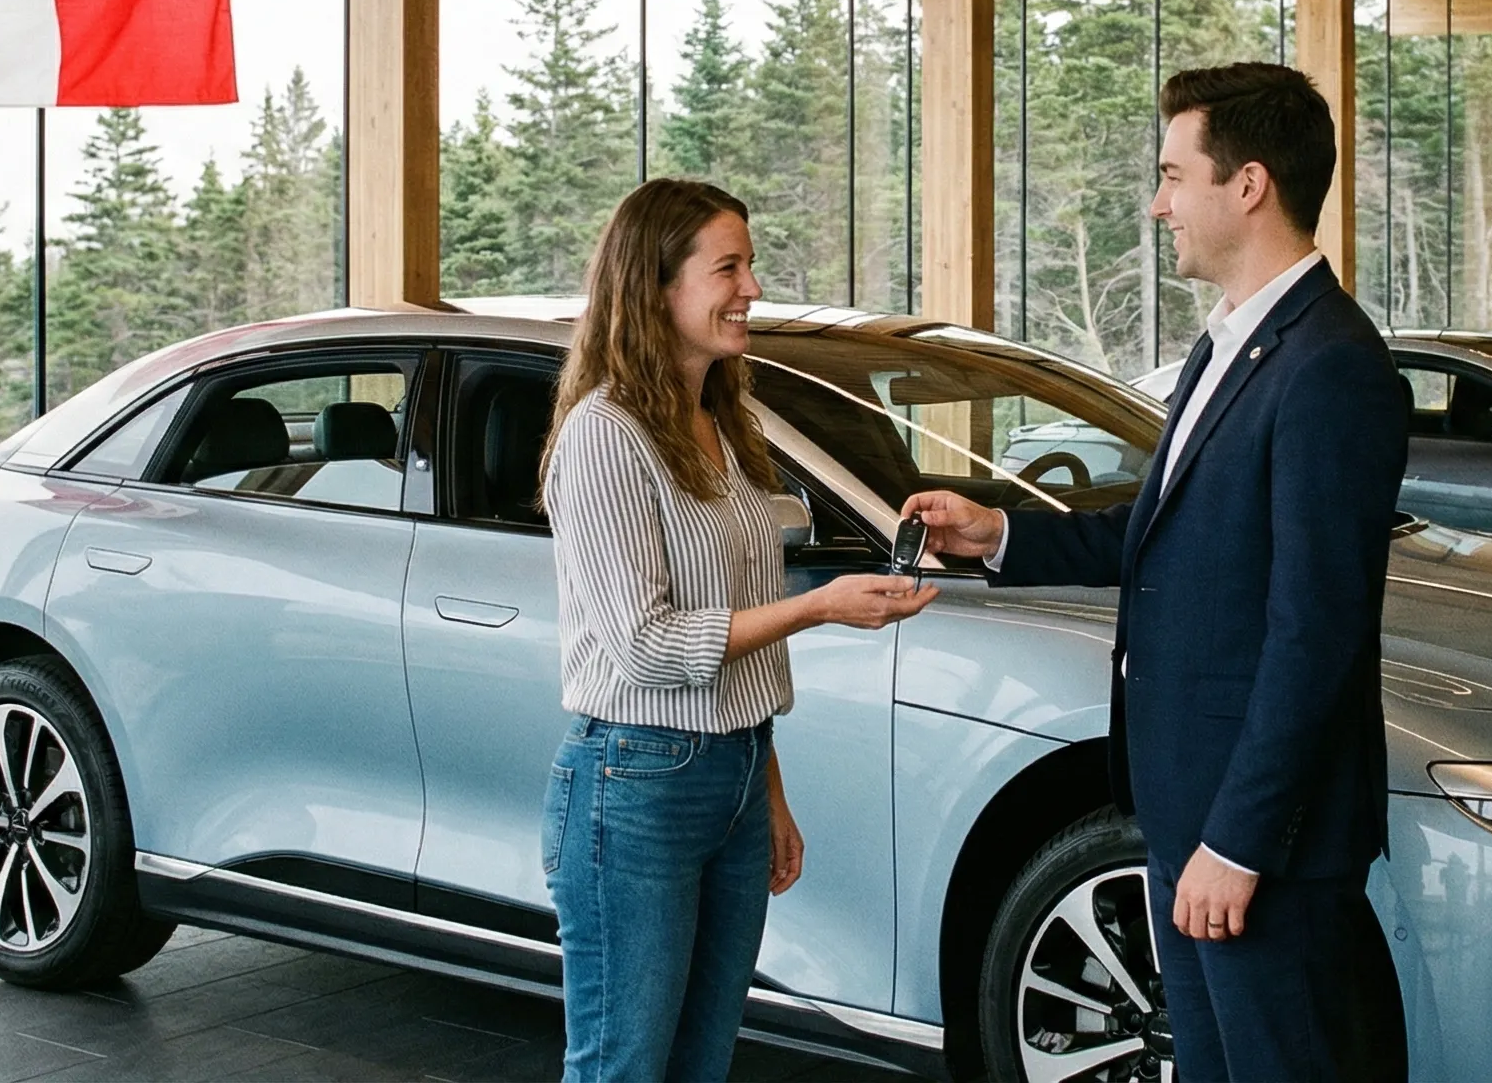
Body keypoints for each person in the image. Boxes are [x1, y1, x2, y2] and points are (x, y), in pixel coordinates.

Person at [906, 63, 1409, 1082]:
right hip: (1183, 812)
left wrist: (1240, 842)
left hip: (1252, 841)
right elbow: (1168, 537)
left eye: (1173, 175)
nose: (1156, 202)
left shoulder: (1331, 367)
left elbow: (1315, 633)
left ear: (1248, 185)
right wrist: (999, 535)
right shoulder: (1230, 345)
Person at [538, 177, 937, 1083]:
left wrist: (768, 788)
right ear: (657, 287)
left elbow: (733, 655)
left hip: (731, 770)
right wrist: (818, 604)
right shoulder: (605, 436)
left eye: (748, 264)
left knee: (701, 1064)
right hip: (635, 781)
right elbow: (647, 645)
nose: (752, 286)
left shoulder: (725, 421)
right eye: (729, 267)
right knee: (623, 1068)